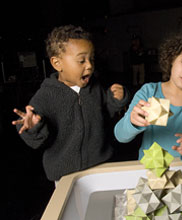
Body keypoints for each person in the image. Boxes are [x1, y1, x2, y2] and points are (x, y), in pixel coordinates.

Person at [12, 25, 130, 182]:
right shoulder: (45, 96)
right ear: (57, 64)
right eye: (81, 60)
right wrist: (33, 128)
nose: (89, 65)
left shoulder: (95, 87)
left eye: (91, 59)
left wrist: (116, 99)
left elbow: (105, 113)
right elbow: (37, 139)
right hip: (65, 175)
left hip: (100, 165)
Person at [114, 31, 182, 165]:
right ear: (173, 58)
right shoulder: (149, 92)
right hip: (151, 167)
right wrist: (132, 122)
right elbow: (120, 135)